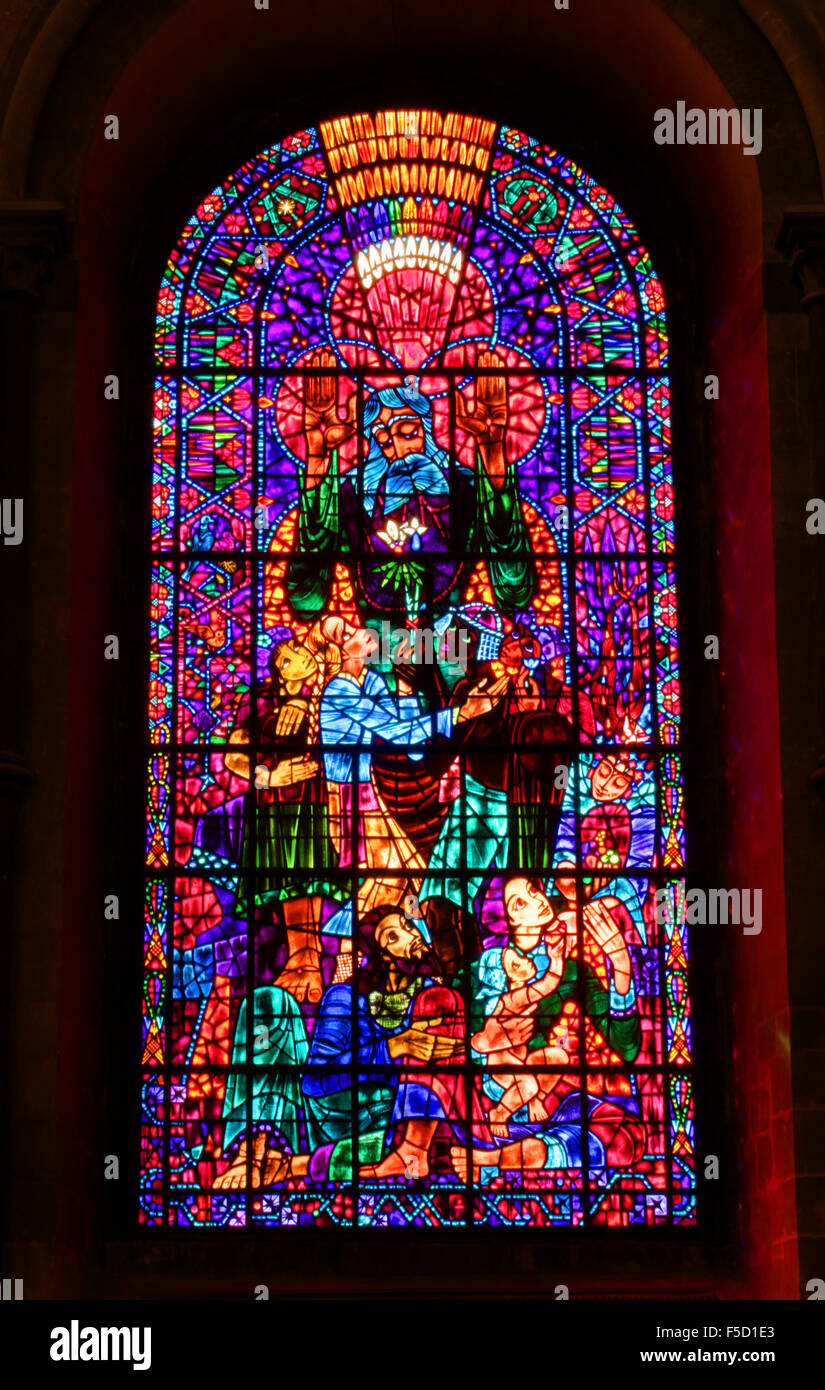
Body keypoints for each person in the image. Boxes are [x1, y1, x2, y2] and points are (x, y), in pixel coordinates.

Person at [286, 353, 536, 625]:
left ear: (428, 434)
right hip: (373, 654)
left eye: (407, 432)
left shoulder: (465, 491)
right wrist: (317, 457)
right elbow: (306, 598)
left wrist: (493, 451)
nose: (398, 450)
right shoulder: (351, 499)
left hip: (455, 651)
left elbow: (515, 589)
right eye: (383, 441)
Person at [224, 630, 346, 1004]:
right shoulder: (261, 701)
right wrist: (269, 776)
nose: (303, 655)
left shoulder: (324, 698)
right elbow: (233, 755)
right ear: (278, 667)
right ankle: (300, 959)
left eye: (305, 650)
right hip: (271, 803)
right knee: (285, 878)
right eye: (291, 653)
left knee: (309, 878)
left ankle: (310, 960)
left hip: (314, 801)